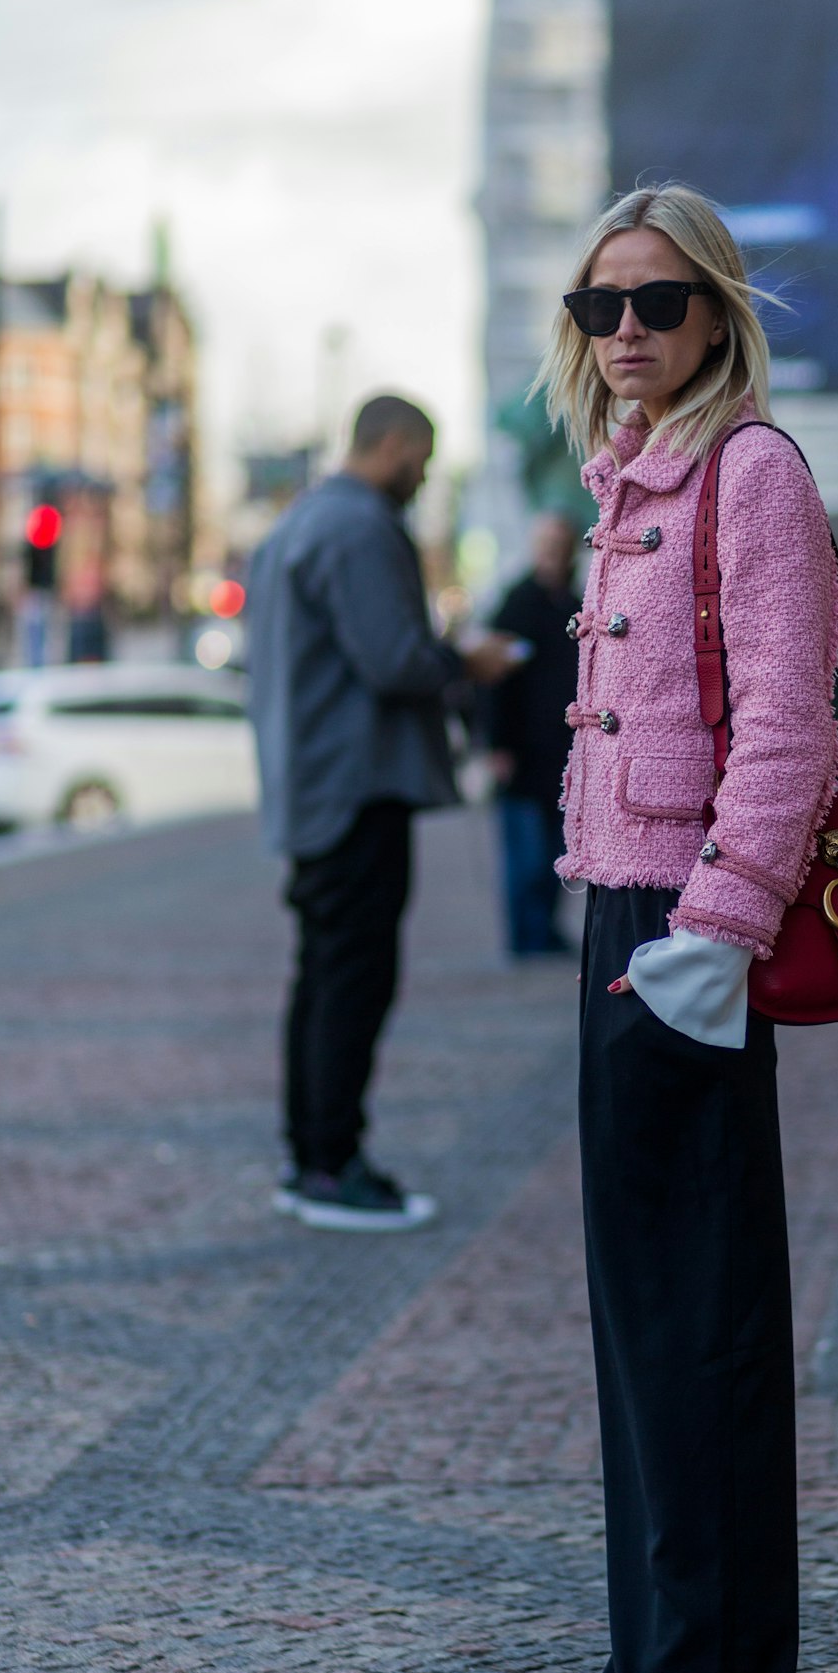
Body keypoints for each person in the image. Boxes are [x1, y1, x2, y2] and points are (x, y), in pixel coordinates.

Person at [533, 183, 838, 1673]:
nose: (629, 332)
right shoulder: (633, 478)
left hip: (686, 935)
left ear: (720, 312)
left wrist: (717, 934)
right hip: (624, 919)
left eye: (657, 302)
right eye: (601, 309)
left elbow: (787, 722)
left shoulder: (755, 474)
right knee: (650, 1334)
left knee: (698, 1329)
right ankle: (674, 1667)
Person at [247, 393, 516, 1228]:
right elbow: (395, 659)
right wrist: (467, 660)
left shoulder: (300, 523)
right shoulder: (360, 527)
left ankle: (311, 1159)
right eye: (423, 456)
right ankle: (333, 1166)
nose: (425, 474)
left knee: (325, 977)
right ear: (392, 444)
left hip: (319, 785)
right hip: (357, 788)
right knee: (353, 982)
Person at [487, 513, 582, 955]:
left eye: (559, 543)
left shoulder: (576, 603)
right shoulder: (517, 603)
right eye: (545, 542)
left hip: (563, 752)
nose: (552, 552)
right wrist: (496, 745)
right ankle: (526, 937)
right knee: (525, 853)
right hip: (523, 752)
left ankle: (543, 929)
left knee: (555, 850)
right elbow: (493, 682)